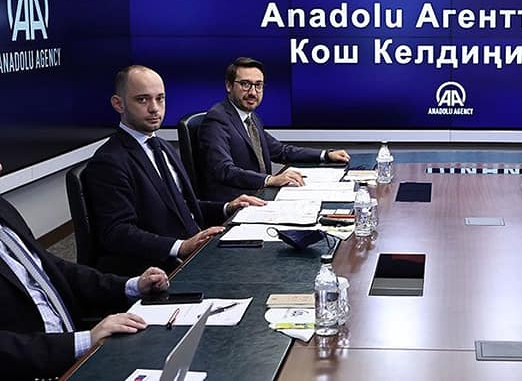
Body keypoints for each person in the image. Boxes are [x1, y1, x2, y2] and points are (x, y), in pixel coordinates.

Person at [83, 66, 264, 276]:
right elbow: (117, 233)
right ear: (118, 104)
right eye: (142, 100)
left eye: (160, 99)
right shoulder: (109, 161)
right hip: (160, 268)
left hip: (199, 252)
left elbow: (182, 207)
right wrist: (180, 246)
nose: (154, 108)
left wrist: (227, 207)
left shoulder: (162, 146)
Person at [0, 179, 169, 380]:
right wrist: (83, 342)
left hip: (76, 355)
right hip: (37, 367)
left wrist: (130, 286)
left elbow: (53, 268)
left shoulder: (4, 209)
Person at [197, 57, 350, 202]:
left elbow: (281, 151)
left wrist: (325, 155)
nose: (253, 92)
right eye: (245, 84)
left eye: (258, 85)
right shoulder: (217, 119)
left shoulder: (251, 117)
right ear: (229, 86)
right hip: (237, 202)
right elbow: (224, 170)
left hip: (260, 196)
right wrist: (270, 180)